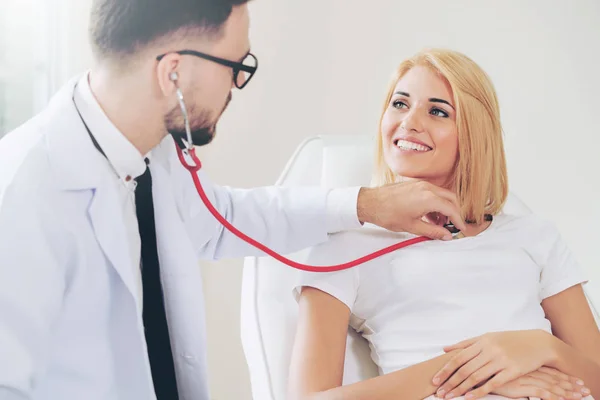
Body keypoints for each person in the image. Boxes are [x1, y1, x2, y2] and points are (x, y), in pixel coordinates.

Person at [0, 2, 469, 400]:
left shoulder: (148, 151)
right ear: (173, 72)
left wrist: (366, 205)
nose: (236, 87)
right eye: (235, 67)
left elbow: (223, 219)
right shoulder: (23, 196)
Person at [288, 49, 600, 400]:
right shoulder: (343, 245)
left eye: (437, 111)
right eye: (400, 104)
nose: (409, 122)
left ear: (474, 134)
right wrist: (481, 371)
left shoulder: (535, 236)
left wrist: (541, 347)